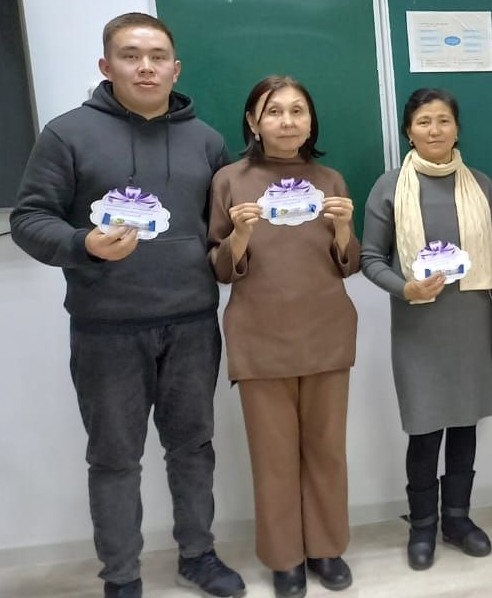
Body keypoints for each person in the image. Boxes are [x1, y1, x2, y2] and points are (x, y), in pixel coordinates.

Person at [9, 13, 245, 598]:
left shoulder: (207, 141)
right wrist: (81, 244)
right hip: (107, 329)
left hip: (192, 323)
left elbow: (221, 230)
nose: (145, 67)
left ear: (175, 68)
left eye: (157, 56)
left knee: (193, 448)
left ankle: (198, 556)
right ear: (106, 65)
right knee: (114, 459)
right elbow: (29, 218)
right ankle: (121, 576)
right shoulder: (67, 134)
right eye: (131, 55)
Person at [207, 75, 359, 597]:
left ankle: (326, 548)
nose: (287, 121)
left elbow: (349, 264)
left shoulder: (331, 179)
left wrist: (344, 229)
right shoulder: (229, 180)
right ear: (253, 121)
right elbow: (219, 267)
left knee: (326, 450)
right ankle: (284, 557)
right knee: (273, 458)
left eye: (298, 111)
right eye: (274, 111)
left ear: (311, 121)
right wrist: (239, 236)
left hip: (326, 332)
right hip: (260, 336)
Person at [361, 88, 492, 570]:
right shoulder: (389, 187)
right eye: (424, 121)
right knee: (424, 432)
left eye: (443, 120)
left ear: (457, 128)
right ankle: (423, 525)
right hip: (418, 329)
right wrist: (405, 288)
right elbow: (370, 258)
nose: (434, 130)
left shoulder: (481, 185)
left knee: (465, 425)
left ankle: (458, 520)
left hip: (473, 324)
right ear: (409, 130)